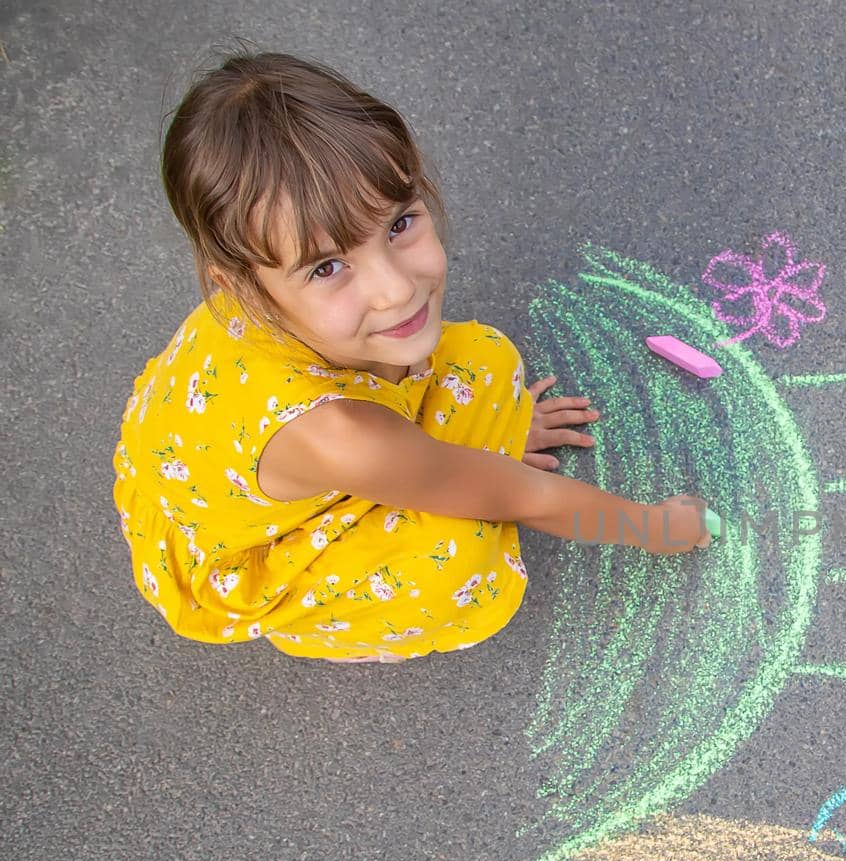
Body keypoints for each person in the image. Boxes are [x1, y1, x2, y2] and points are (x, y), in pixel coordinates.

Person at [111, 49, 709, 663]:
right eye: (327, 267)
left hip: (242, 448)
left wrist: (491, 436)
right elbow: (523, 498)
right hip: (249, 545)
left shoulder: (278, 291)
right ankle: (318, 619)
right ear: (239, 288)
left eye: (399, 225)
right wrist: (655, 528)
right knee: (454, 562)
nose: (395, 288)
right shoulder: (338, 435)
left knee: (482, 361)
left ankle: (419, 460)